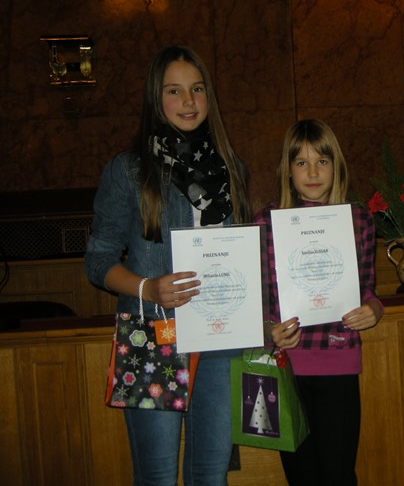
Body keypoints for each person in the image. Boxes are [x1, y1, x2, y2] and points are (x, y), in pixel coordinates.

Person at [84, 44, 251, 485]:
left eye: (197, 89)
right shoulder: (128, 170)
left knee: (210, 475)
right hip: (152, 333)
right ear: (155, 99)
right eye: (174, 91)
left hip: (219, 338)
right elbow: (97, 261)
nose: (189, 101)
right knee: (157, 476)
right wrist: (148, 288)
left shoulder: (231, 168)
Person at [255, 119, 383, 486]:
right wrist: (269, 329)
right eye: (301, 162)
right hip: (286, 368)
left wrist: (373, 310)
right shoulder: (265, 223)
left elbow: (367, 287)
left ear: (336, 166)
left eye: (322, 161)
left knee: (339, 476)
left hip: (338, 361)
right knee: (301, 478)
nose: (312, 172)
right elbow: (259, 303)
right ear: (287, 169)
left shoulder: (358, 219)